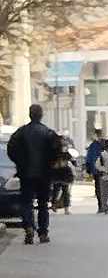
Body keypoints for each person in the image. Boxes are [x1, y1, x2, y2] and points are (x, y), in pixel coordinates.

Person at [6, 103, 60, 243]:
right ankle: (43, 233)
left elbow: (11, 149)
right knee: (43, 204)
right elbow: (57, 150)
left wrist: (20, 163)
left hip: (26, 174)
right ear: (41, 115)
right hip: (44, 174)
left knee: (26, 202)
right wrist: (51, 164)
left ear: (30, 115)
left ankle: (29, 227)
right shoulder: (48, 133)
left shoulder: (21, 132)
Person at [82, 131, 108, 213]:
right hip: (101, 170)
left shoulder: (95, 145)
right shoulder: (102, 144)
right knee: (102, 188)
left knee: (100, 188)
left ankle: (102, 206)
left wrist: (88, 168)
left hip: (99, 170)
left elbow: (89, 157)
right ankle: (103, 205)